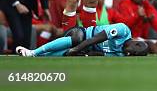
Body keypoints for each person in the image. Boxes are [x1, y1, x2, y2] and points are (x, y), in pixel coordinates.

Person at [16, 23, 149, 57]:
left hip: (87, 47)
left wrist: (83, 53)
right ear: (136, 43)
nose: (129, 54)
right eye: (134, 52)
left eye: (132, 55)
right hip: (83, 33)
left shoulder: (121, 54)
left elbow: (101, 54)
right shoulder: (122, 30)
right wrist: (76, 49)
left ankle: (38, 56)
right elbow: (95, 39)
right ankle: (34, 52)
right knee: (76, 39)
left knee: (76, 54)